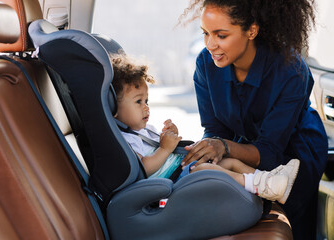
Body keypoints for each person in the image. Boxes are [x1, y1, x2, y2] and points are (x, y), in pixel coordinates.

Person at [179, 0, 328, 239]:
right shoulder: (206, 64)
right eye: (205, 33)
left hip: (295, 153)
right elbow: (215, 129)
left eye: (221, 35)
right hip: (243, 146)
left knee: (295, 225)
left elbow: (269, 152)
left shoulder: (291, 70)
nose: (210, 45)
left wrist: (224, 147)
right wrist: (210, 150)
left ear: (251, 31)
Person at [111, 54, 300, 204]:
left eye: (146, 101)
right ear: (113, 109)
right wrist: (165, 148)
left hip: (179, 171)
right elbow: (143, 169)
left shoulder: (144, 130)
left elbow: (161, 148)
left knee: (230, 161)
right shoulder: (124, 140)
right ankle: (261, 185)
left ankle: (267, 182)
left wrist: (170, 136)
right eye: (138, 102)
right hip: (170, 183)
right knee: (208, 168)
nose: (146, 107)